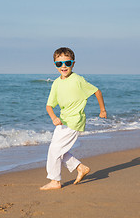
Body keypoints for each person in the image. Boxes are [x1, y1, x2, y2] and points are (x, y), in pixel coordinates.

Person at [40, 47, 107, 190]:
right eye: (59, 64)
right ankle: (80, 167)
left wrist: (102, 110)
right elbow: (49, 106)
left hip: (75, 120)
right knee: (59, 150)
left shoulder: (78, 80)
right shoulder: (56, 83)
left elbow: (97, 91)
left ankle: (55, 181)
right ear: (55, 65)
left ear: (73, 63)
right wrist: (54, 118)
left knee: (54, 150)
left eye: (67, 63)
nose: (63, 66)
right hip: (62, 122)